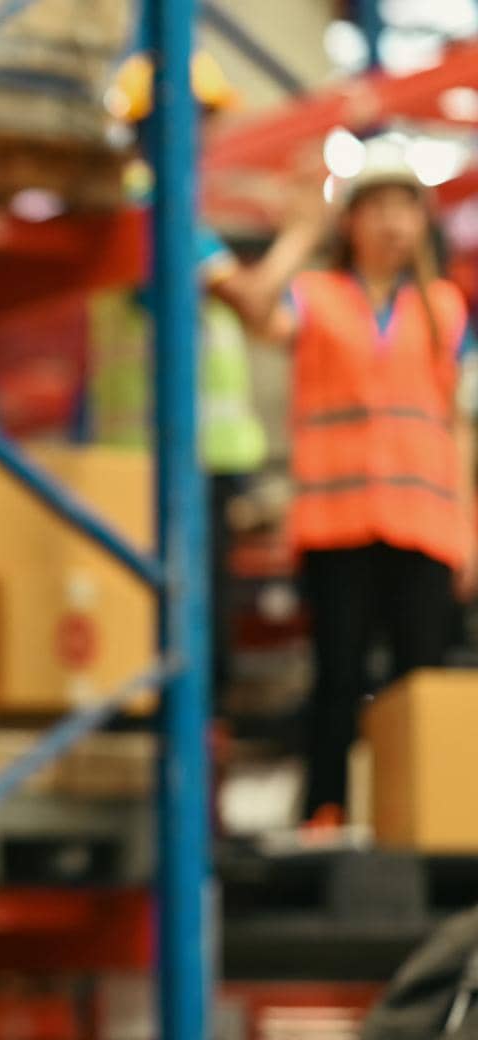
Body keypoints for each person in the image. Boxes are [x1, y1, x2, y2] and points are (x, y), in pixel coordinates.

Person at [230, 137, 478, 827]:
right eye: (379, 208)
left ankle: (427, 815)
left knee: (419, 682)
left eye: (406, 208)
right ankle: (326, 812)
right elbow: (254, 306)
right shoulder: (316, 296)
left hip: (424, 523)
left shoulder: (443, 307)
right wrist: (296, 235)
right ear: (354, 222)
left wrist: (469, 527)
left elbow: (457, 423)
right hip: (338, 524)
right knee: (338, 678)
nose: (394, 223)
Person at [92, 49, 268, 691]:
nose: (209, 134)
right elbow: (249, 304)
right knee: (184, 634)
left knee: (190, 624)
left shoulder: (166, 207)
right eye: (202, 118)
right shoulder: (151, 207)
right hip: (167, 453)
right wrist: (305, 236)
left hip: (189, 451)